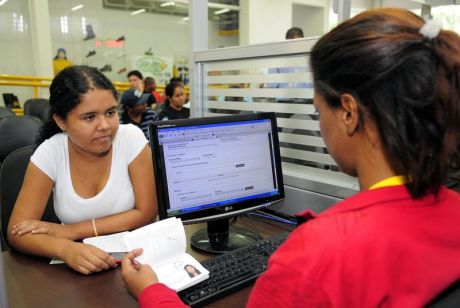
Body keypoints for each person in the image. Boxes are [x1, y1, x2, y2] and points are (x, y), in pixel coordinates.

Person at [121, 8, 460, 307]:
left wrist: (151, 291)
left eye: (317, 111)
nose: (320, 127)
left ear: (348, 113)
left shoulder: (317, 255)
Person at [7, 65, 157, 275]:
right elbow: (16, 232)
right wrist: (65, 249)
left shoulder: (131, 138)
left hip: (135, 263)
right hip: (77, 269)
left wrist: (71, 231)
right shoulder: (50, 152)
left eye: (111, 112)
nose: (104, 125)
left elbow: (147, 211)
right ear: (61, 121)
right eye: (89, 117)